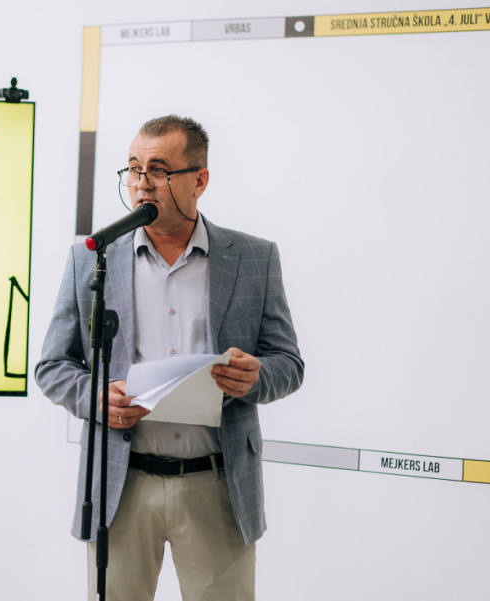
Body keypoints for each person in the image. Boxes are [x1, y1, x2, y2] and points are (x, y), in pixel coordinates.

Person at [35, 115, 304, 600]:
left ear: (199, 180)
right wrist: (96, 398)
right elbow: (53, 366)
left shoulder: (254, 258)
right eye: (133, 169)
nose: (142, 183)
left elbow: (288, 363)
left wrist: (256, 376)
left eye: (158, 170)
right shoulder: (92, 259)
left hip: (217, 484)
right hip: (121, 483)